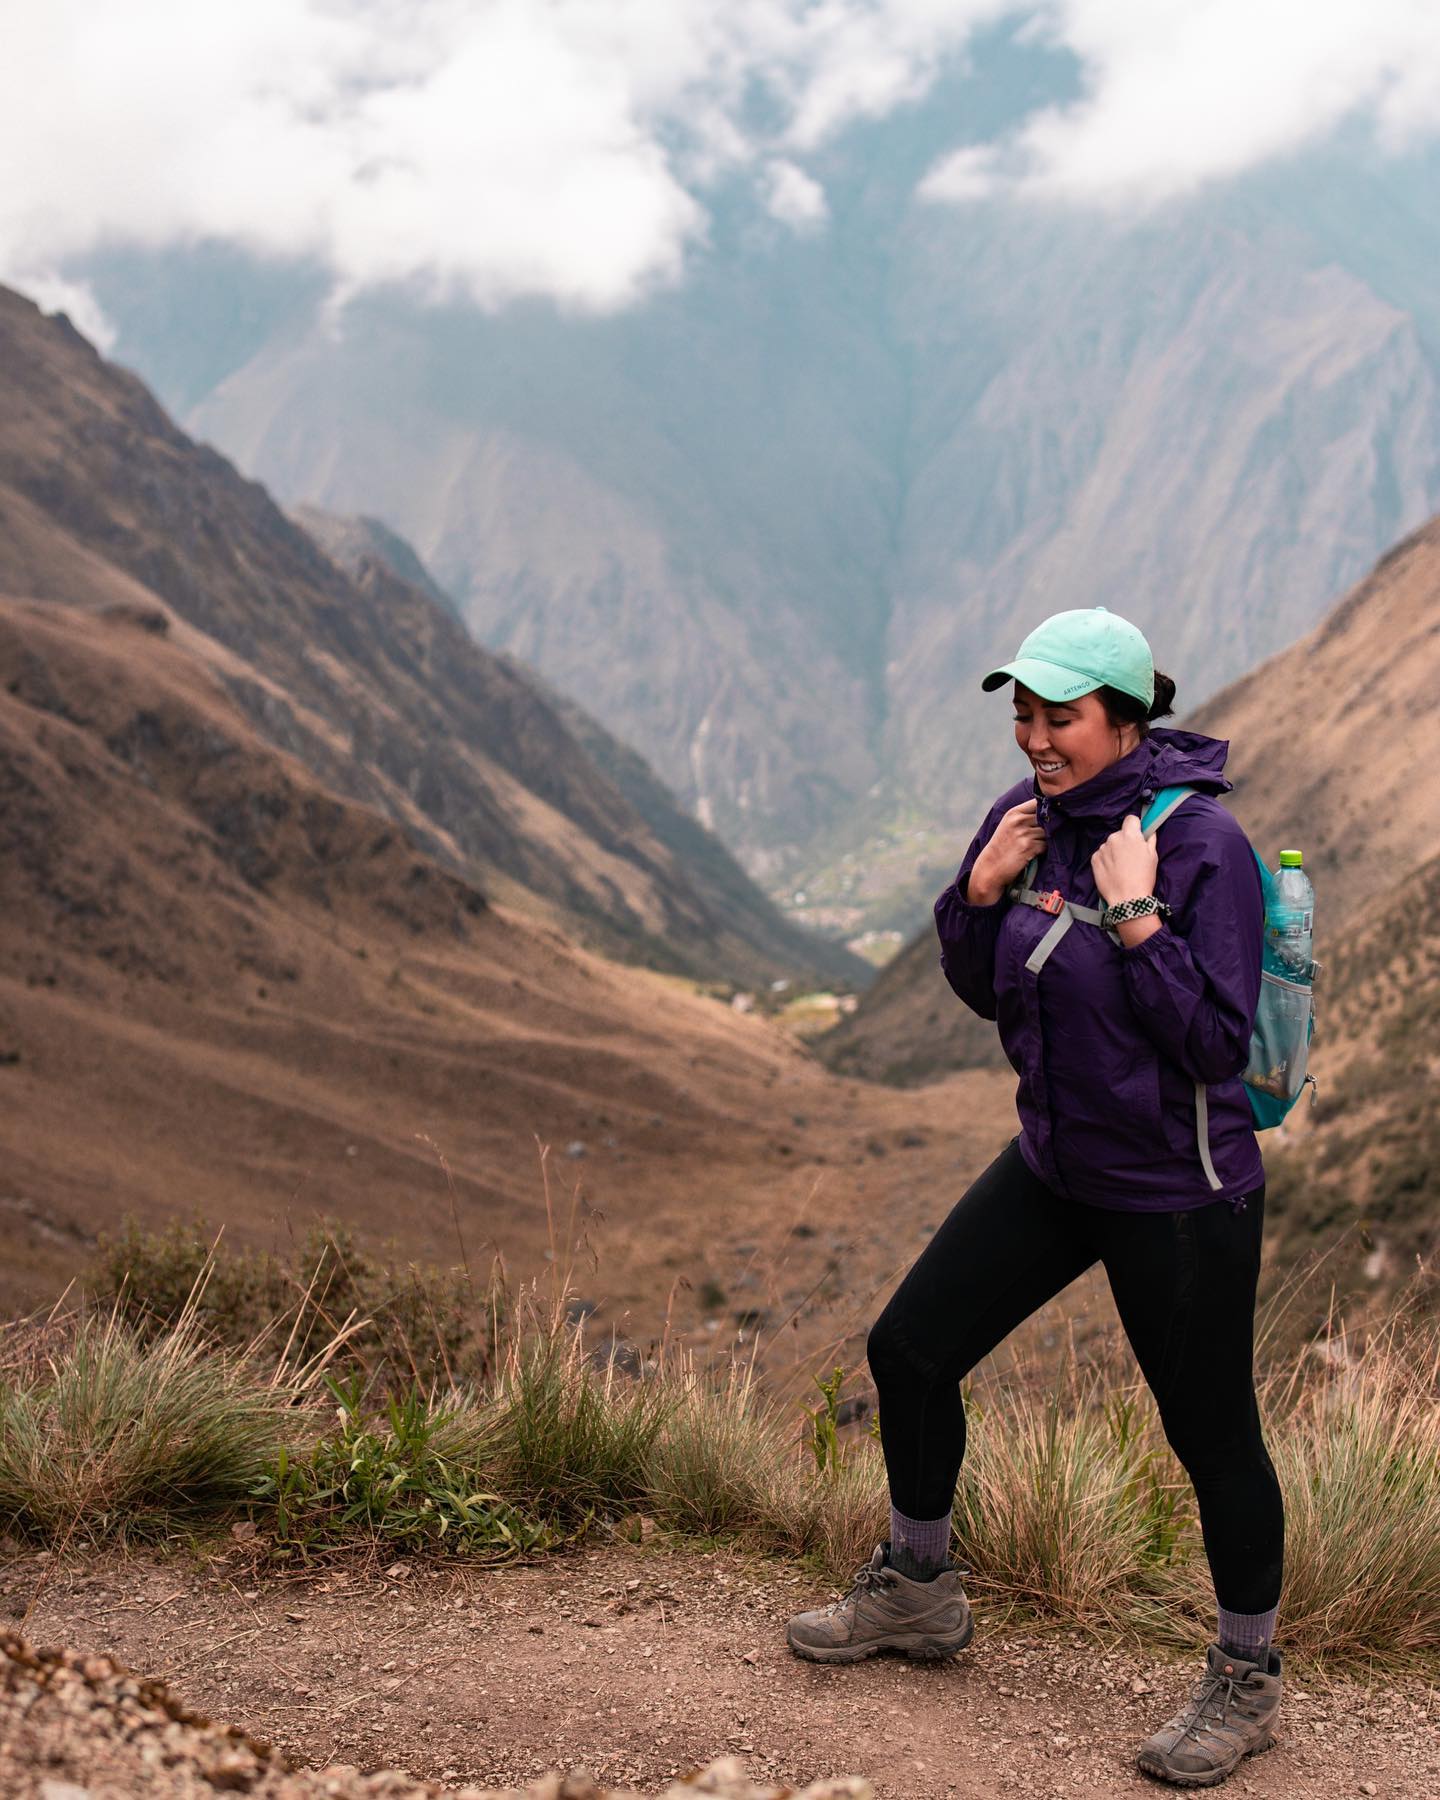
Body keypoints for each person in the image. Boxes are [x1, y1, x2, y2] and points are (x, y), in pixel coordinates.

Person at [786, 607, 1285, 1788]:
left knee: (1211, 1436)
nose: (1034, 738)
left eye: (1059, 717)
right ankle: (917, 1591)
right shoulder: (1031, 826)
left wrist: (1135, 915)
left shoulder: (1204, 846)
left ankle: (1248, 1681)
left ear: (1125, 719)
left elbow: (1217, 1045)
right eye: (1021, 713)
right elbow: (989, 990)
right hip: (1060, 1165)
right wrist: (978, 888)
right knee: (908, 1349)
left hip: (1177, 1191)